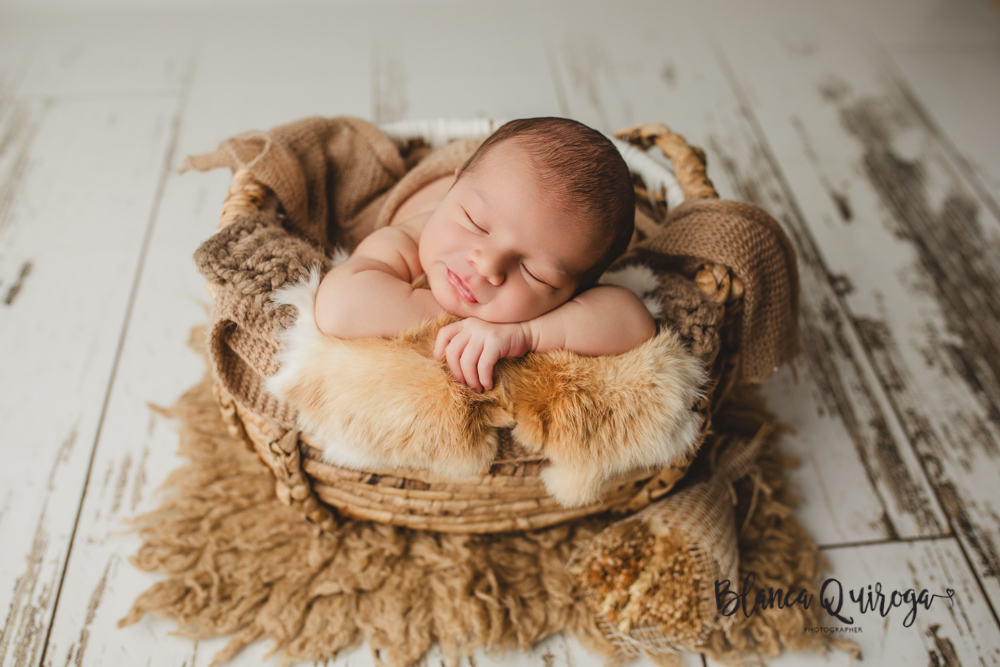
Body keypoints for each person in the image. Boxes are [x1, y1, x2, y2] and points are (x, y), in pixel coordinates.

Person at [314, 117, 656, 393]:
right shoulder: (409, 239)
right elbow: (339, 307)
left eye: (536, 274)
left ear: (576, 292)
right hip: (458, 171)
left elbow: (636, 324)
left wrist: (525, 334)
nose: (488, 264)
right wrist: (461, 324)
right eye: (475, 223)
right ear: (455, 188)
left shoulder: (564, 256)